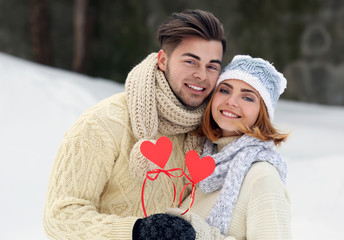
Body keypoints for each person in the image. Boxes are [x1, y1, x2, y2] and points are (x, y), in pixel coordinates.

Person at [43, 9, 227, 240]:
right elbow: (60, 216)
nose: (202, 75)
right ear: (163, 60)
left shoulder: (209, 132)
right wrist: (137, 231)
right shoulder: (104, 123)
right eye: (191, 61)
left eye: (212, 66)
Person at [168, 55, 292, 239]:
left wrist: (200, 235)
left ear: (263, 112)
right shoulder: (203, 163)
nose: (231, 101)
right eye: (225, 90)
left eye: (248, 97)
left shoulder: (262, 177)